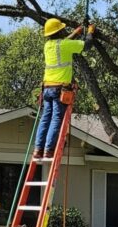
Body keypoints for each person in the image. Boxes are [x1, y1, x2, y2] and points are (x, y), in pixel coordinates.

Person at [34, 18, 95, 160]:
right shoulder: (65, 45)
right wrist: (90, 32)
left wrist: (76, 32)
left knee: (45, 118)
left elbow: (62, 44)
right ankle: (49, 149)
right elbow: (86, 46)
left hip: (47, 88)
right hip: (58, 89)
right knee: (56, 118)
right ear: (60, 30)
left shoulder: (48, 46)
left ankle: (38, 149)